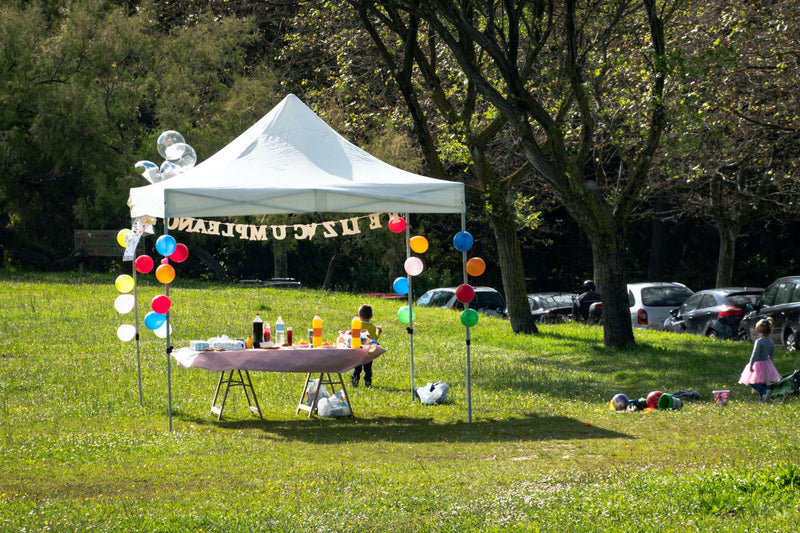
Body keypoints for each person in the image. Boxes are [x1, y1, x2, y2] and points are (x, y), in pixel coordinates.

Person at [738, 318, 782, 402]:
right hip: (767, 363)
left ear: (759, 331)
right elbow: (772, 352)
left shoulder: (759, 341)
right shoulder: (770, 341)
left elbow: (755, 354)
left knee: (752, 382)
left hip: (758, 363)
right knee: (762, 382)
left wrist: (751, 364)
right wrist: (770, 362)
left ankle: (765, 392)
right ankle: (762, 398)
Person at [351, 304, 382, 388]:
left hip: (358, 350)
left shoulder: (356, 323)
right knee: (368, 369)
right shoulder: (372, 327)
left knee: (357, 368)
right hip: (369, 351)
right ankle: (367, 383)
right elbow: (374, 338)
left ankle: (354, 382)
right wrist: (378, 332)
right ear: (371, 316)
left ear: (359, 316)